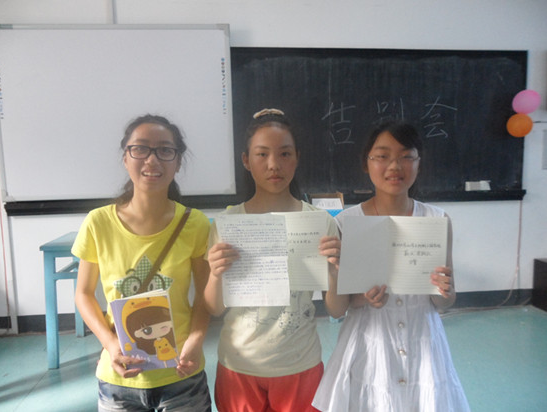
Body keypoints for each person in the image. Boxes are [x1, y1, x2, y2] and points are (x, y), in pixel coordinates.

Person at [313, 121, 470, 411]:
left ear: (419, 163)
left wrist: (444, 291)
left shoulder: (436, 220)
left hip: (422, 343)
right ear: (366, 163)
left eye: (406, 156)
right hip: (369, 346)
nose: (395, 166)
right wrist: (342, 280)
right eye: (383, 156)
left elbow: (444, 301)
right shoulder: (346, 223)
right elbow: (336, 310)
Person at [73, 114, 212, 412]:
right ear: (125, 157)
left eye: (165, 150)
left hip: (181, 375)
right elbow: (83, 294)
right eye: (140, 149)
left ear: (177, 161)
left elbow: (204, 296)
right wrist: (110, 344)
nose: (152, 159)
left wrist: (197, 339)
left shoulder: (196, 223)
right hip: (119, 378)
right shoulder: (98, 223)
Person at [204, 108, 340, 412]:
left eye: (284, 154)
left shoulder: (320, 223)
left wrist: (333, 272)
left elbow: (336, 309)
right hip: (239, 365)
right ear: (246, 160)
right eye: (262, 154)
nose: (274, 164)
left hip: (300, 364)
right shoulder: (227, 224)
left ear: (297, 157)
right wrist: (215, 274)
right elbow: (214, 308)